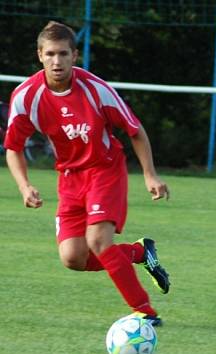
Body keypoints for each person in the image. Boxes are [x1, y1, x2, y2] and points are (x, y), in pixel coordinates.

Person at [3, 21, 171, 326]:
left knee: (98, 241)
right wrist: (24, 185)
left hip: (105, 170)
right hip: (69, 178)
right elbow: (13, 146)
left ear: (75, 56)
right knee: (73, 258)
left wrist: (150, 175)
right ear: (40, 55)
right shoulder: (26, 97)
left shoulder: (96, 89)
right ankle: (138, 252)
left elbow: (134, 130)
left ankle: (145, 311)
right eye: (51, 54)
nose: (57, 61)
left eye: (63, 54)